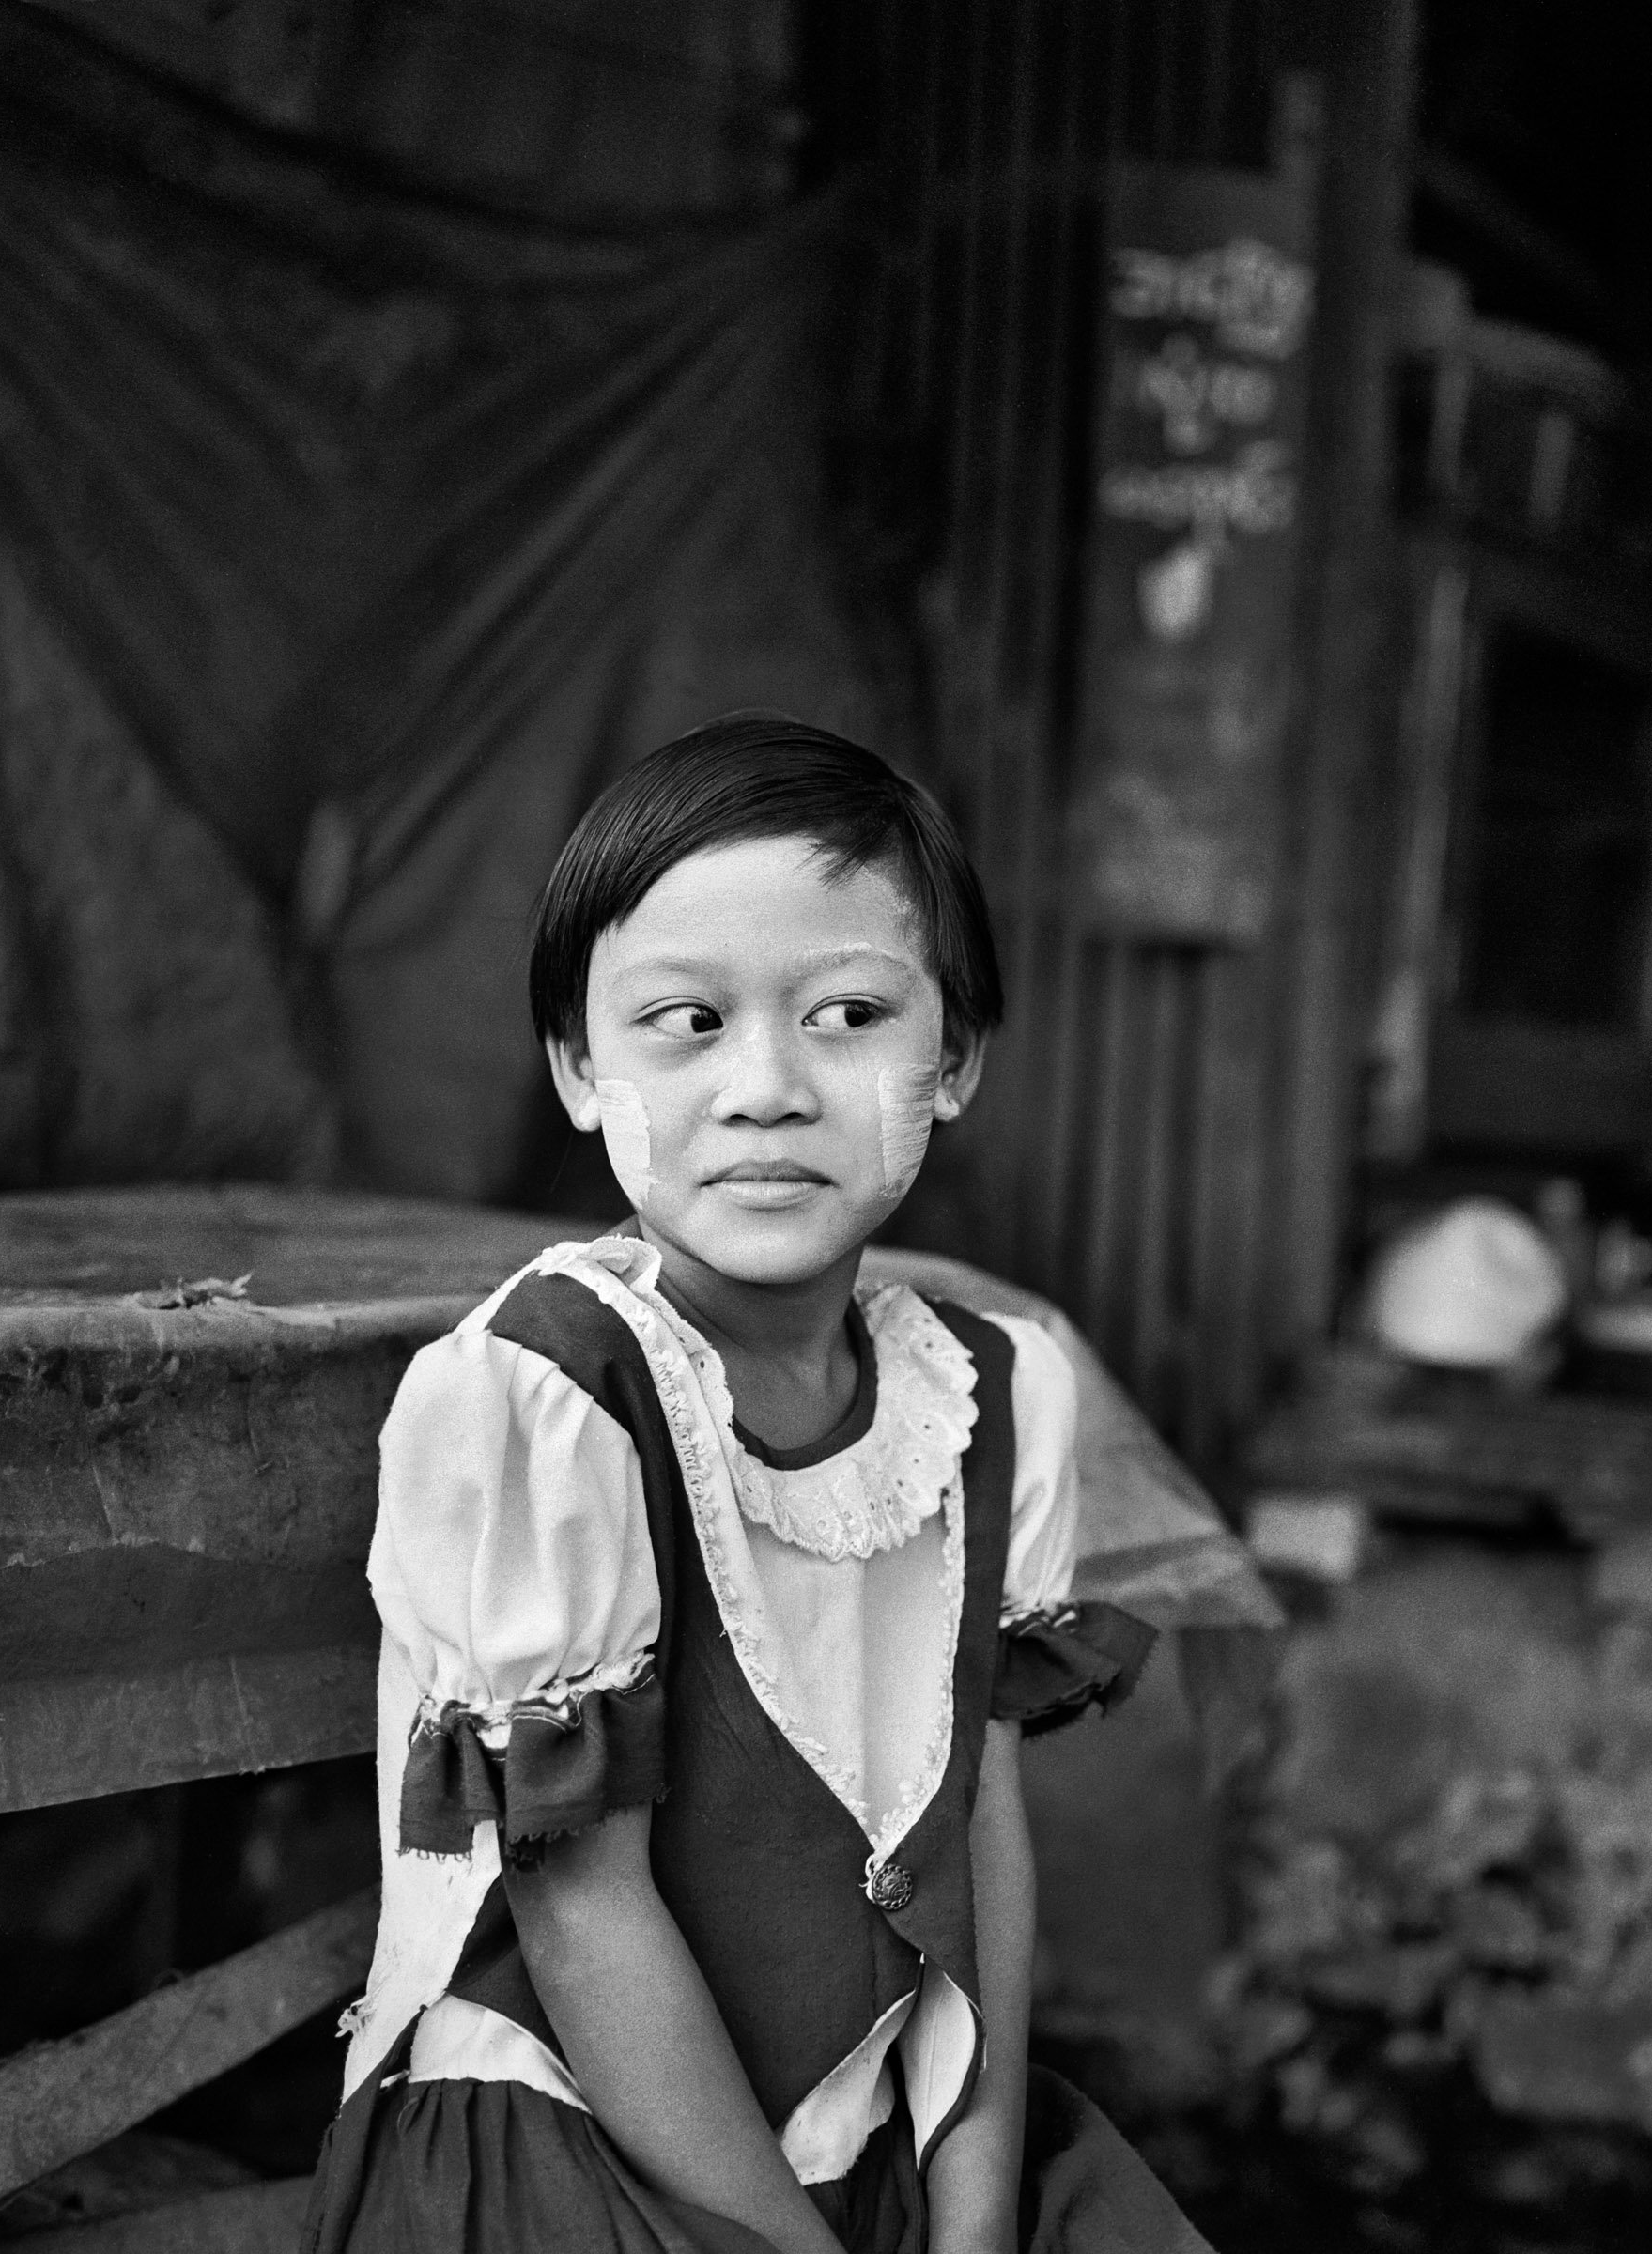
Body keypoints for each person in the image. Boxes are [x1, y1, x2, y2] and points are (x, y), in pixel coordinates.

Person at [302, 714, 1209, 2254]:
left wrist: (973, 2222)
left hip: (894, 2135)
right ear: (580, 1069)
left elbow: (981, 1827)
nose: (768, 1086)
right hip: (578, 2142)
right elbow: (580, 1908)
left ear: (955, 1060)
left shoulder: (998, 1394)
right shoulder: (542, 1400)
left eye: (851, 1013)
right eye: (686, 1022)